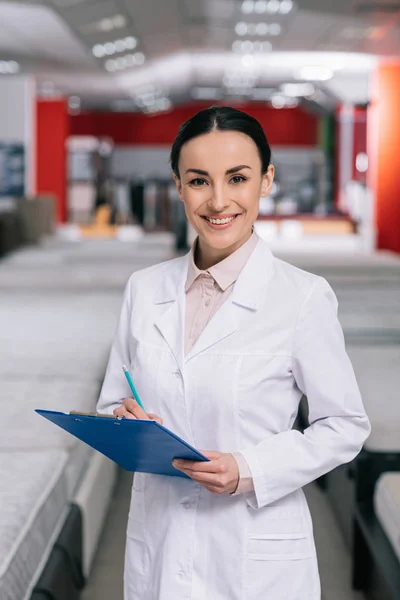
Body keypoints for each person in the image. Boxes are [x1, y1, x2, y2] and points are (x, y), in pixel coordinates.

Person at [97, 106, 371, 600]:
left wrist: (249, 469)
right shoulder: (144, 289)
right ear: (178, 186)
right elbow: (113, 401)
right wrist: (124, 419)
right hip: (158, 543)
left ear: (266, 181)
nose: (218, 201)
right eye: (199, 181)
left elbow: (345, 425)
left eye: (238, 178)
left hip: (253, 554)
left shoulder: (302, 297)